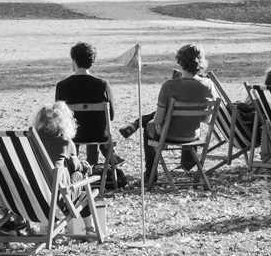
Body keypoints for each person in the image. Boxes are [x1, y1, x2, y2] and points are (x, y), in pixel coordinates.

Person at [127, 43, 215, 179]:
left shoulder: (169, 86)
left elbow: (157, 120)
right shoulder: (208, 85)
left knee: (149, 126)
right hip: (192, 136)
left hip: (169, 135)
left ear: (180, 62)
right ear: (201, 62)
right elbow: (206, 120)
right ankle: (188, 164)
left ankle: (151, 173)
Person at [54, 43, 117, 173]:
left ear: (74, 60)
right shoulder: (102, 84)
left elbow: (58, 117)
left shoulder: (62, 86)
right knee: (94, 125)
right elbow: (111, 116)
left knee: (72, 127)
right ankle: (93, 168)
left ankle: (73, 169)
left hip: (72, 135)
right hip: (98, 135)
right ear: (92, 62)